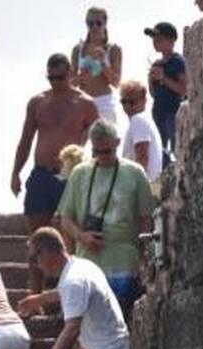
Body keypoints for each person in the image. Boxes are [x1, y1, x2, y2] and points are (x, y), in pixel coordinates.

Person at [56, 120, 157, 319]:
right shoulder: (80, 173)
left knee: (120, 321)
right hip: (88, 263)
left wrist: (146, 258)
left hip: (124, 263)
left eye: (107, 152)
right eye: (97, 152)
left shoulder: (134, 173)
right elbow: (65, 218)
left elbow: (146, 219)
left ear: (118, 143)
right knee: (85, 326)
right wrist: (81, 236)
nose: (102, 157)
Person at [10, 53, 100, 236]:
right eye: (51, 78)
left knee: (68, 235)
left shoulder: (86, 104)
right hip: (41, 173)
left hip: (69, 176)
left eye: (60, 78)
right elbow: (26, 139)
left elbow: (97, 141)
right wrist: (15, 173)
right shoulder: (38, 102)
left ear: (70, 74)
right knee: (37, 236)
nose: (56, 82)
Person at [145, 22, 189, 166]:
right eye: (154, 39)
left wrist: (163, 78)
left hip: (173, 114)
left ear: (171, 40)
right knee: (161, 152)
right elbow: (153, 94)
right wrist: (151, 80)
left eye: (159, 39)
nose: (155, 42)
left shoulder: (178, 61)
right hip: (159, 113)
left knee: (176, 150)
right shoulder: (157, 64)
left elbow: (185, 90)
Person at [71, 7, 123, 126]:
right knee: (79, 144)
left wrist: (103, 63)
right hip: (82, 101)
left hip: (104, 102)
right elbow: (71, 84)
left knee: (105, 142)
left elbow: (116, 82)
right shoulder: (78, 49)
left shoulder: (113, 49)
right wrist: (85, 72)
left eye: (98, 23)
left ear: (105, 23)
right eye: (90, 23)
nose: (94, 27)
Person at [120, 81, 163, 183]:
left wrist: (135, 186)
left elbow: (142, 156)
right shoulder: (144, 120)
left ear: (144, 101)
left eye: (132, 102)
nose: (127, 106)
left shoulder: (138, 120)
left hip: (141, 185)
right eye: (123, 102)